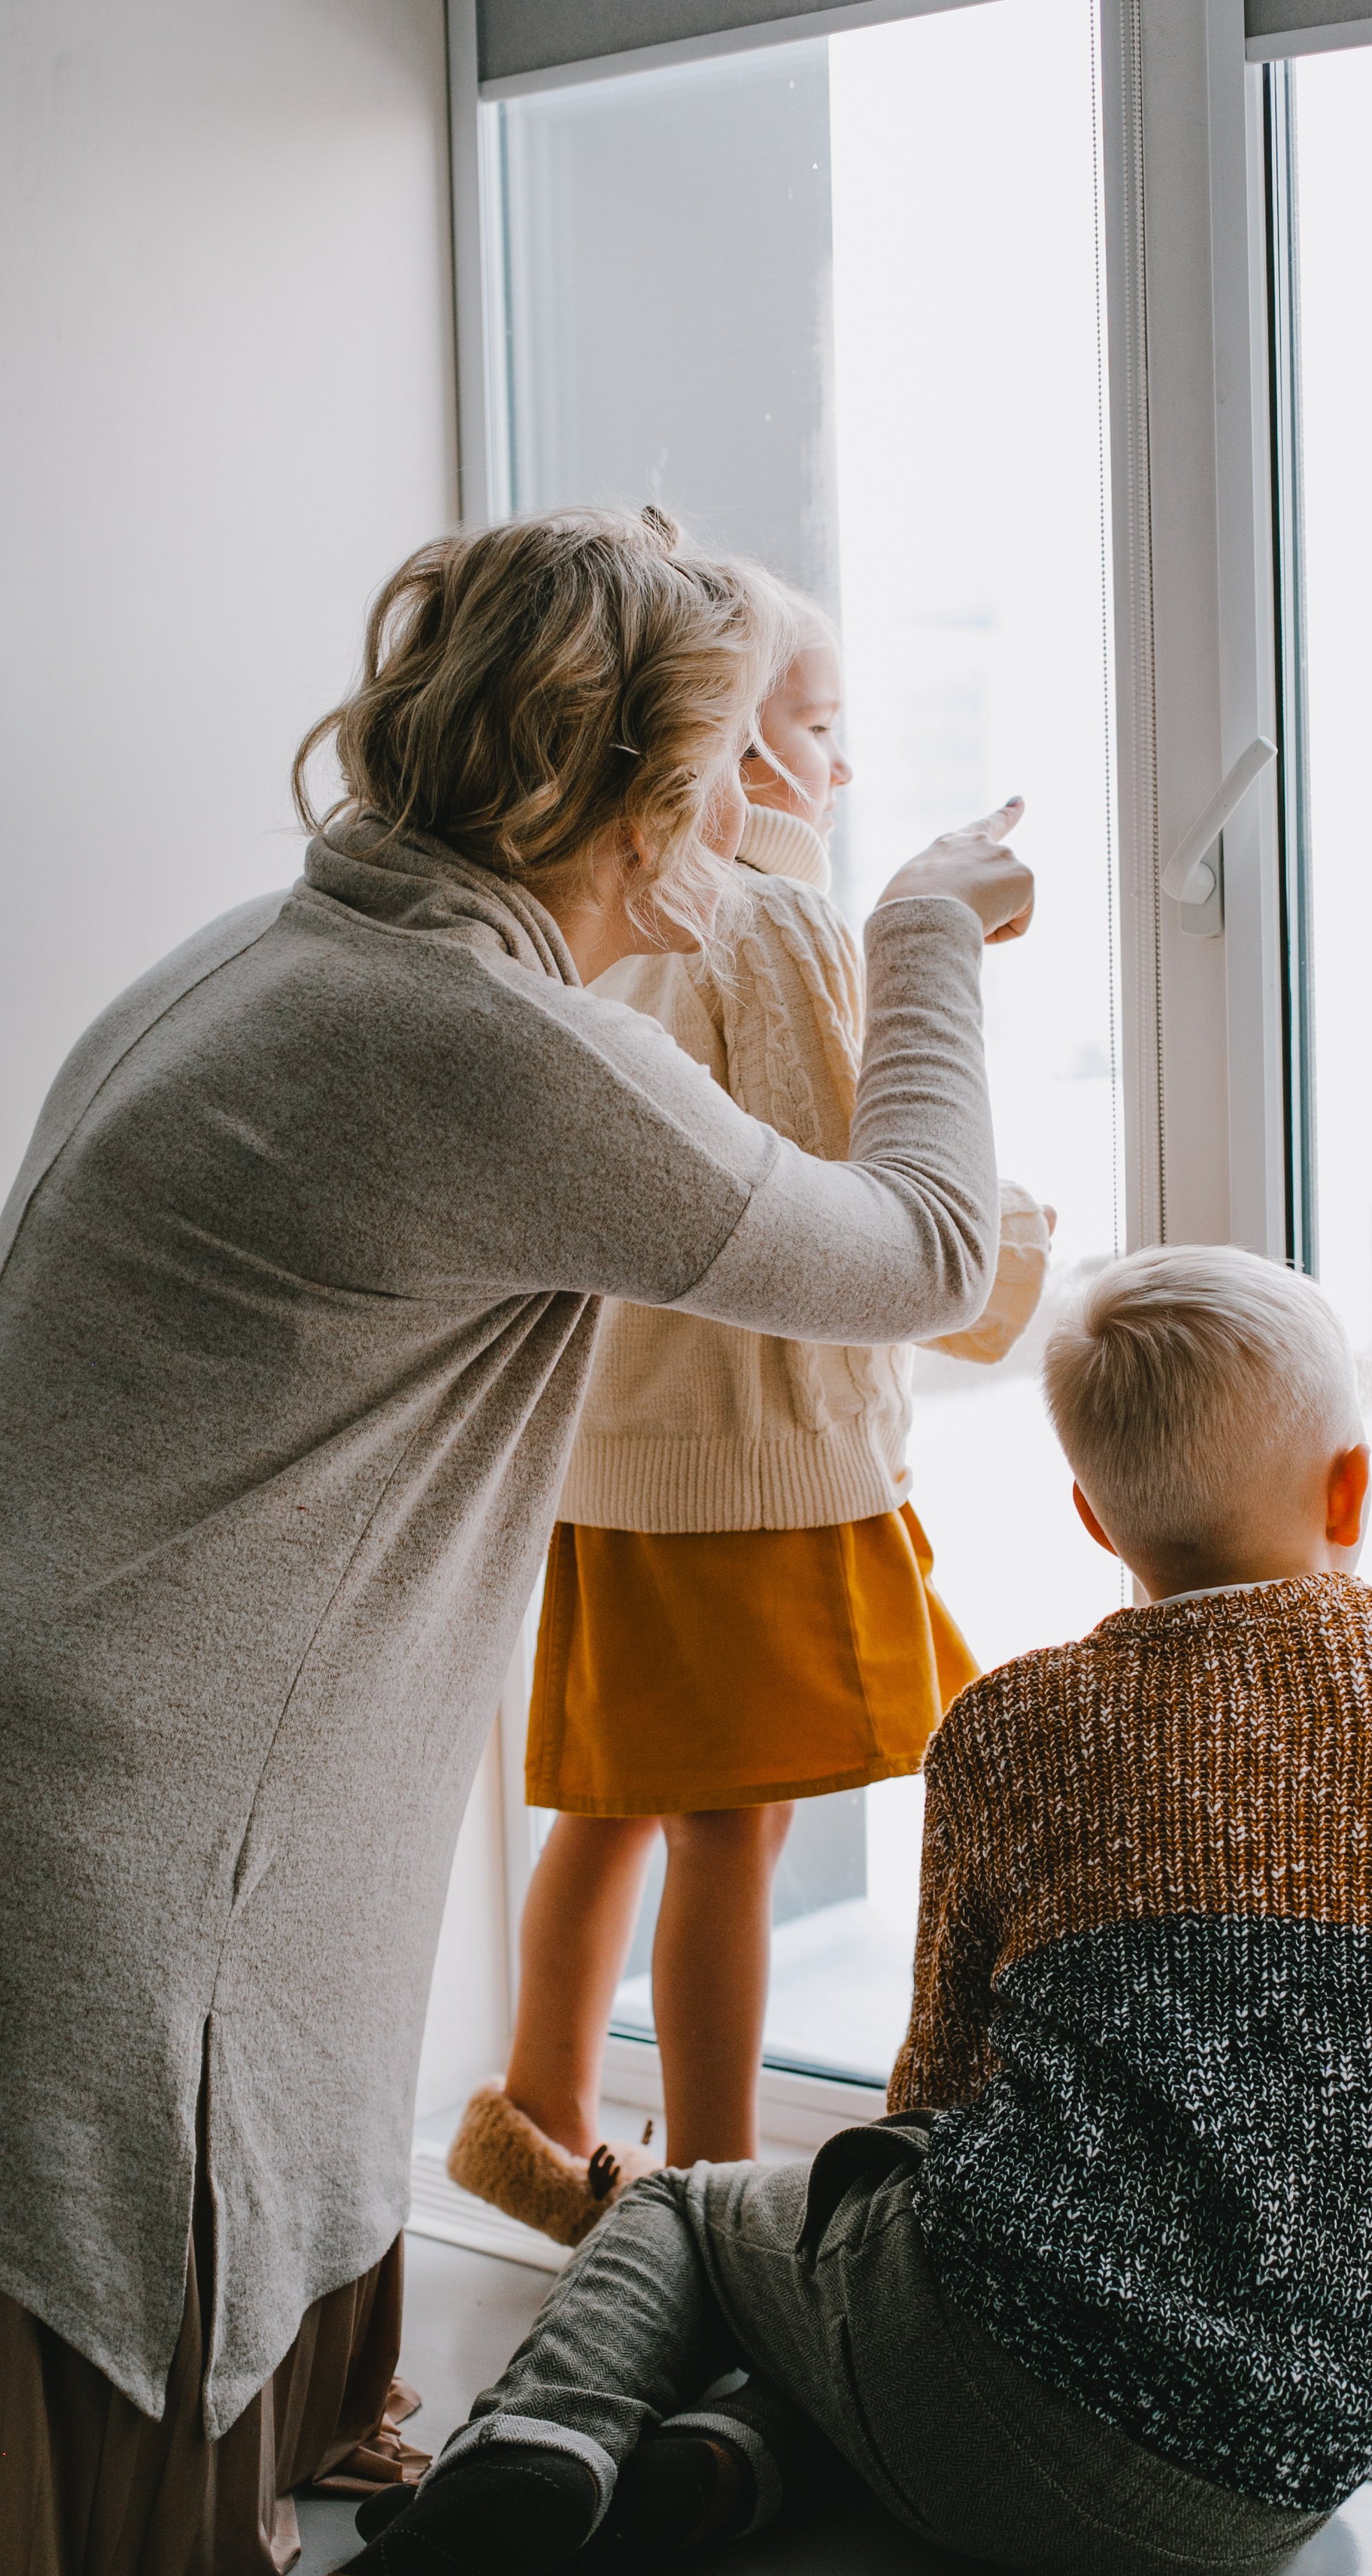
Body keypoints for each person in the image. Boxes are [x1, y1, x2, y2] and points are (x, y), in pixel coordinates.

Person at [0, 506, 1036, 2576]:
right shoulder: (492, 1048)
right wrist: (928, 929)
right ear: (628, 796)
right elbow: (924, 1259)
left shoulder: (270, 948)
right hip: (91, 1814)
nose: (741, 829)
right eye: (724, 781)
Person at [280, 1243, 1372, 2576]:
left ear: (1091, 1517)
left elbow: (938, 2092)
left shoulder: (1014, 1725)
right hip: (1274, 2489)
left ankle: (539, 2448)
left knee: (691, 2214)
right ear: (1349, 1487)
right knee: (893, 2351)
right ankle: (725, 2472)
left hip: (986, 2401)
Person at [445, 600, 1050, 2233]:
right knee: (734, 1830)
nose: (848, 760)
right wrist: (1022, 1256)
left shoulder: (612, 924)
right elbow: (850, 1193)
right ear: (741, 749)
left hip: (617, 1452)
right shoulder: (775, 922)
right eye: (828, 723)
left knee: (612, 1800)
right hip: (745, 1465)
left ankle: (543, 2119)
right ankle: (707, 2205)